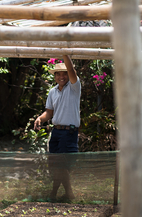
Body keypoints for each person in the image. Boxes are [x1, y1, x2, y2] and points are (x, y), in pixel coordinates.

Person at [34, 55, 81, 200]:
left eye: (64, 73)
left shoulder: (74, 87)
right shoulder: (53, 91)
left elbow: (72, 71)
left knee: (62, 165)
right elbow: (49, 112)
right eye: (58, 74)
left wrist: (65, 53)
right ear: (55, 76)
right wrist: (40, 118)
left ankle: (56, 194)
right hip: (56, 132)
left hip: (69, 131)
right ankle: (67, 194)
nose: (62, 76)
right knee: (55, 165)